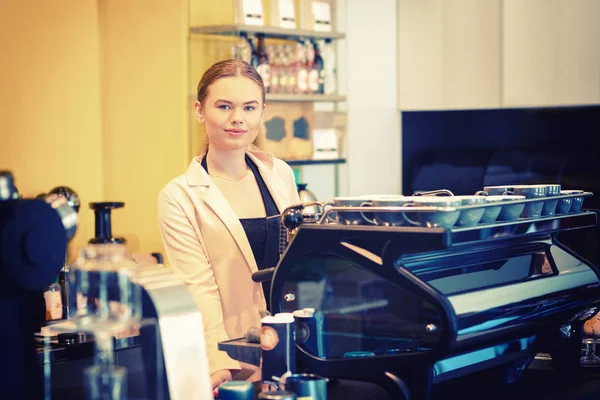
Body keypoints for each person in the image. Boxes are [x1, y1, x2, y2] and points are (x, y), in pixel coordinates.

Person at [157, 59, 300, 390]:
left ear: (263, 112)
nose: (238, 118)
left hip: (291, 345)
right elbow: (199, 290)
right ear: (200, 111)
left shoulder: (279, 174)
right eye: (224, 106)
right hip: (232, 357)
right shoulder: (179, 197)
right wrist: (217, 365)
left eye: (249, 107)